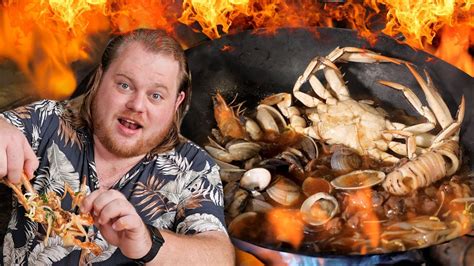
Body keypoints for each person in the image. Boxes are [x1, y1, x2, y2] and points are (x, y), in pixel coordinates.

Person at [0, 28, 235, 265]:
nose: (137, 105)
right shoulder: (48, 120)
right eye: (124, 85)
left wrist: (147, 242)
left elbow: (219, 257)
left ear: (176, 102)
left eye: (156, 96)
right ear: (100, 78)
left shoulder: (194, 167)